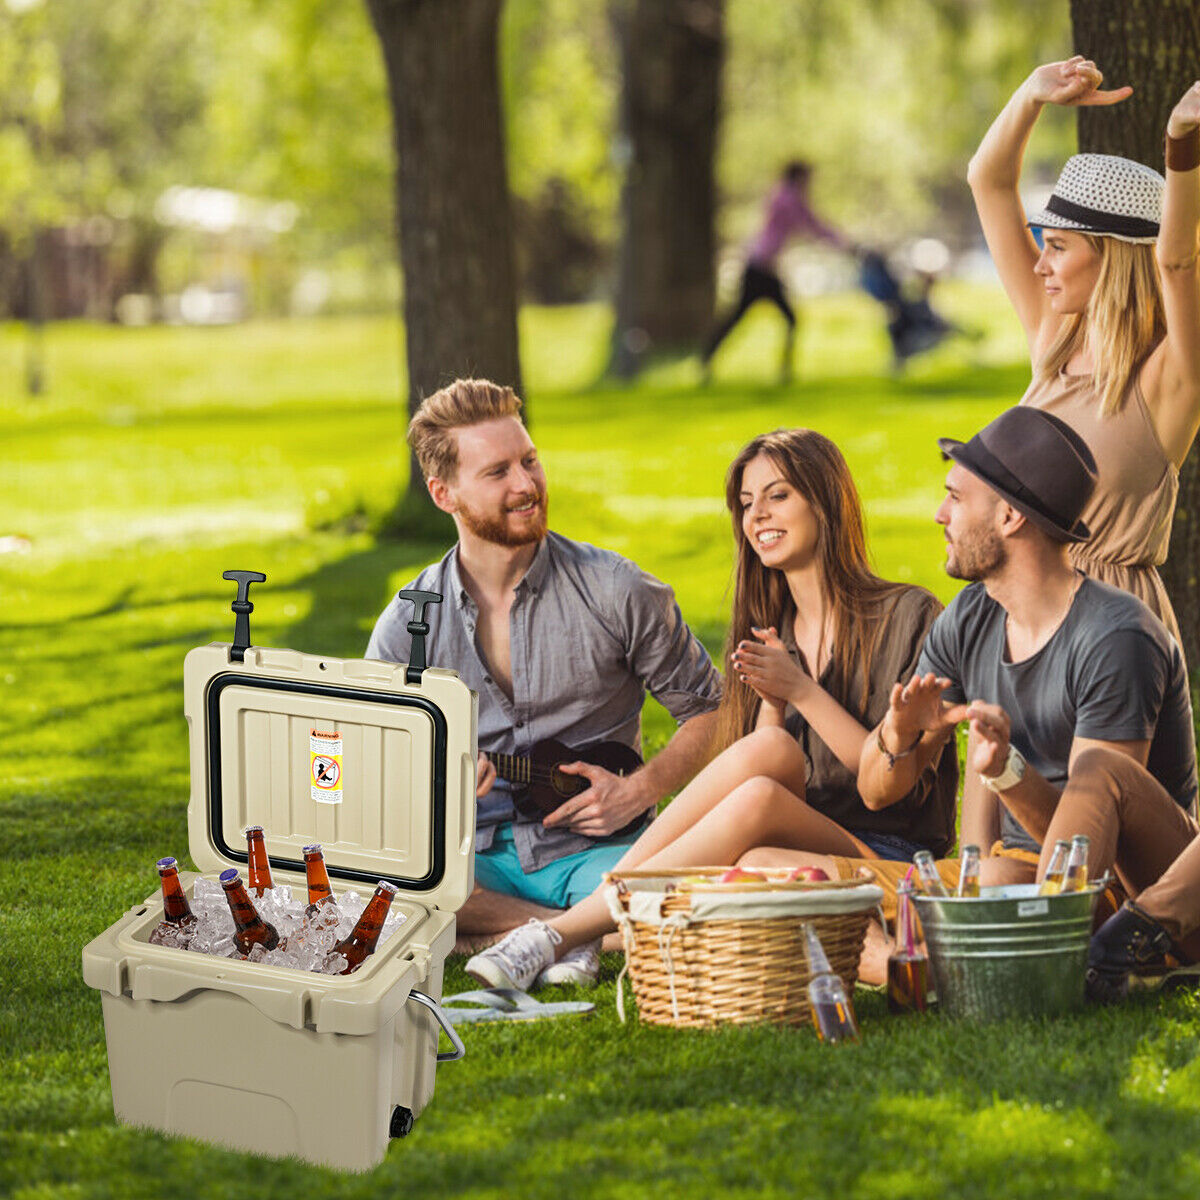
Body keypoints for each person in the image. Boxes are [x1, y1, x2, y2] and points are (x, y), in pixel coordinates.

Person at [464, 428, 958, 992]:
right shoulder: (771, 630)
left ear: (825, 500)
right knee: (763, 764)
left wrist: (800, 692)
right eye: (746, 505)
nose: (757, 517)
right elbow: (767, 779)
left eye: (778, 496)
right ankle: (568, 934)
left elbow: (887, 788)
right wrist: (774, 703)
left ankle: (559, 934)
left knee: (764, 770)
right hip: (785, 840)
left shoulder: (907, 614)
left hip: (884, 848)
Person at [366, 378, 722, 983]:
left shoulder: (617, 591)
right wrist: (436, 786)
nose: (526, 485)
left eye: (529, 461)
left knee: (689, 902)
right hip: (469, 862)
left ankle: (519, 934)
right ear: (442, 492)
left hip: (600, 854)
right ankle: (568, 934)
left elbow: (716, 711)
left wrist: (639, 791)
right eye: (498, 472)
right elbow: (371, 760)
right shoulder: (407, 624)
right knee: (377, 888)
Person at [854, 408, 1196, 919]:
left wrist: (1006, 772)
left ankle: (914, 948)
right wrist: (898, 736)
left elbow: (1093, 847)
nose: (939, 515)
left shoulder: (1116, 635)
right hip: (1010, 869)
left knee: (989, 881)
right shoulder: (972, 614)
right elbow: (875, 793)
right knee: (778, 867)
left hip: (1122, 888)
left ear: (1010, 516)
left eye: (955, 497)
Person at [967, 55, 1200, 645]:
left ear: (1115, 257)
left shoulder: (1171, 374)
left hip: (1112, 630)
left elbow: (1175, 263)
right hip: (1020, 614)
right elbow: (988, 182)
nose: (1039, 263)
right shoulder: (1054, 338)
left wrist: (1182, 143)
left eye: (1061, 247)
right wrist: (1031, 93)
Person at [700, 161, 851, 383]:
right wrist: (841, 242)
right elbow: (811, 223)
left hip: (765, 270)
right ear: (798, 177)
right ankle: (711, 358)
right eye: (807, 178)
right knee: (747, 318)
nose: (810, 184)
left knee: (782, 319)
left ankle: (781, 370)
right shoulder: (788, 198)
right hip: (759, 269)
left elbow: (809, 224)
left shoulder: (782, 195)